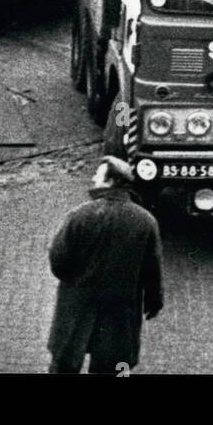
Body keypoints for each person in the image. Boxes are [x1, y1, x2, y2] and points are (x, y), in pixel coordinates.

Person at [47, 155, 163, 375]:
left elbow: (58, 260)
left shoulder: (80, 215)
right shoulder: (146, 221)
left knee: (64, 361)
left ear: (111, 181)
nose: (92, 178)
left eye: (98, 175)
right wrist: (153, 300)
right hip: (120, 307)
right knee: (111, 364)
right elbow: (152, 267)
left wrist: (72, 280)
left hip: (77, 303)